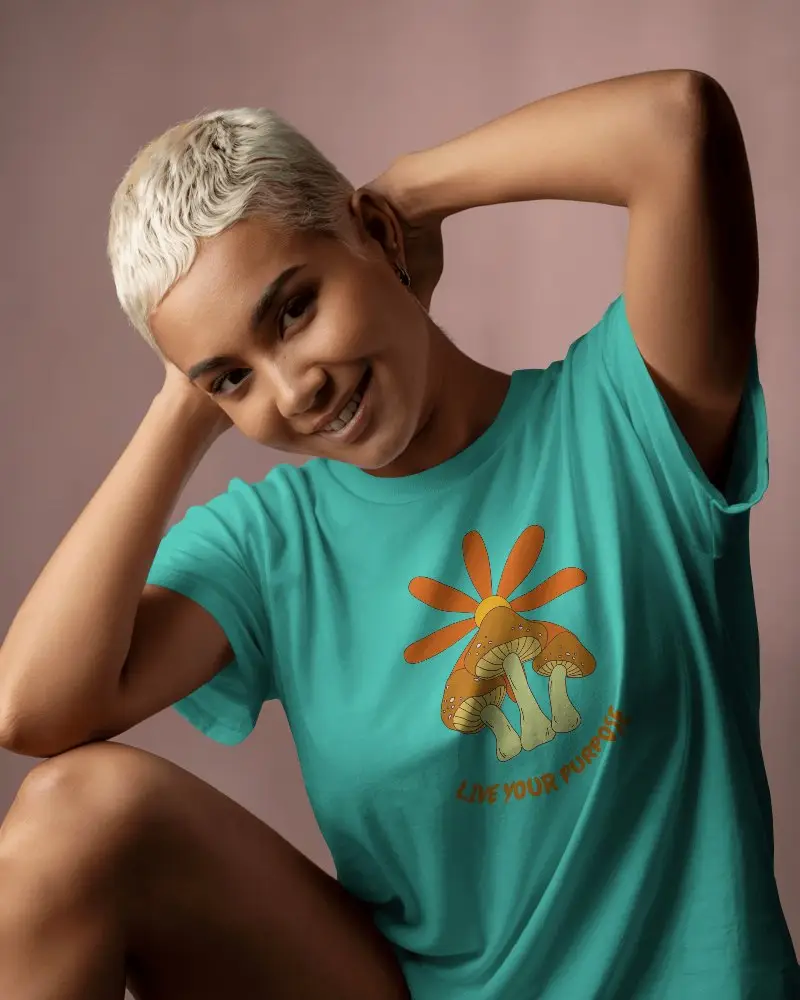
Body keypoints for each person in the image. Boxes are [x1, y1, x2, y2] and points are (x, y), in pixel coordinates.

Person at [0, 67, 796, 1000]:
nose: (296, 391)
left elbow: (676, 127)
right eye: (234, 378)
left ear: (375, 239)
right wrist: (184, 408)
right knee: (69, 817)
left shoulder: (627, 418)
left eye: (294, 309)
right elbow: (33, 710)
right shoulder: (272, 546)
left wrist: (407, 191)